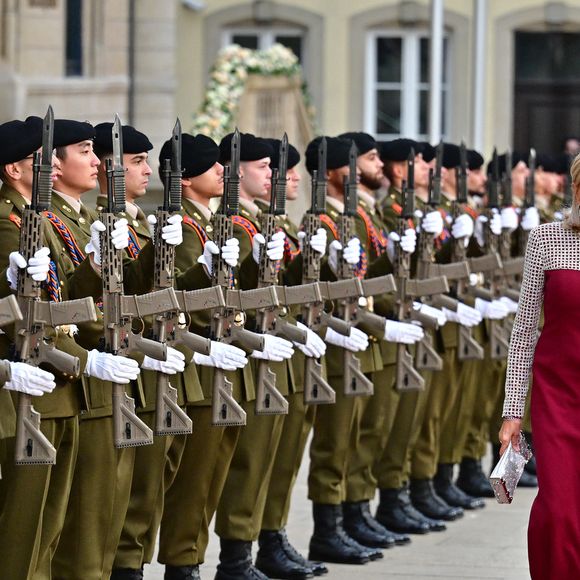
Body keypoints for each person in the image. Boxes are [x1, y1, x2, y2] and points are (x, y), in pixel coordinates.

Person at [499, 152, 580, 579]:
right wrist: (513, 411)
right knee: (561, 511)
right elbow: (524, 329)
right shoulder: (548, 238)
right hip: (559, 397)